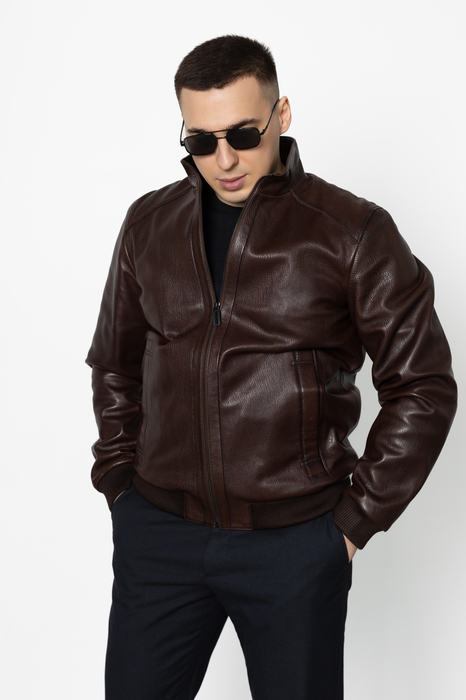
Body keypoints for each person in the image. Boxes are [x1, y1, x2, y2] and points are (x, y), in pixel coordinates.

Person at [86, 35, 457, 700]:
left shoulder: (353, 233)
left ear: (281, 115)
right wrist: (120, 484)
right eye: (201, 142)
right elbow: (115, 363)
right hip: (160, 536)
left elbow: (423, 385)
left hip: (294, 545)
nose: (224, 160)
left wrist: (354, 522)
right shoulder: (149, 223)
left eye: (242, 134)